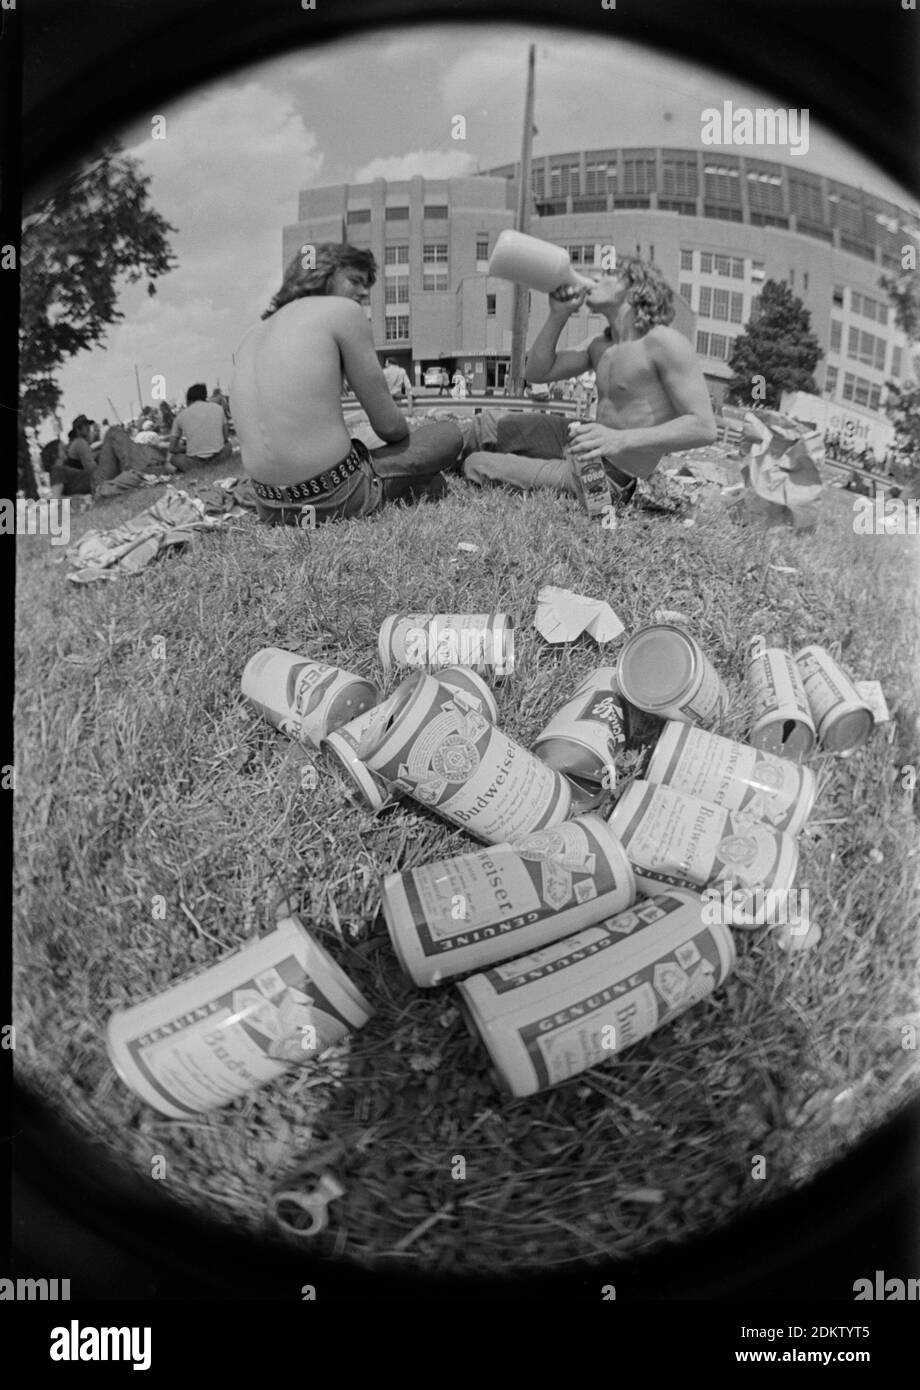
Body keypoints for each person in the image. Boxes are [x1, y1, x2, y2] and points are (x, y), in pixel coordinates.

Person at [229, 243, 462, 525]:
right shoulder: (342, 312)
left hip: (269, 507)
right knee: (448, 435)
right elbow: (390, 428)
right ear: (322, 275)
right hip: (334, 496)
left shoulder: (249, 337)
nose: (364, 293)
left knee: (407, 465)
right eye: (355, 281)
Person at [458, 255, 716, 503]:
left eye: (608, 274)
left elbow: (703, 427)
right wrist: (558, 314)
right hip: (586, 442)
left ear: (636, 289)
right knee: (487, 423)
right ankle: (425, 448)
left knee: (478, 465)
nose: (594, 277)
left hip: (607, 479)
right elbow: (537, 373)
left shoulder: (664, 342)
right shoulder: (600, 345)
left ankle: (442, 462)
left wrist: (618, 439)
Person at [168, 383, 233, 471]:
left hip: (194, 462)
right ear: (205, 397)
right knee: (228, 446)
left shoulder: (180, 416)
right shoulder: (218, 408)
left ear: (188, 399)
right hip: (219, 458)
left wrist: (186, 448)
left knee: (174, 458)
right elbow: (226, 437)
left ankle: (197, 467)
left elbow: (172, 448)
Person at [49, 415, 96, 497]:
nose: (89, 428)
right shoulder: (80, 443)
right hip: (92, 481)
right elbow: (91, 468)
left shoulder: (74, 443)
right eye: (86, 426)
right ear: (78, 429)